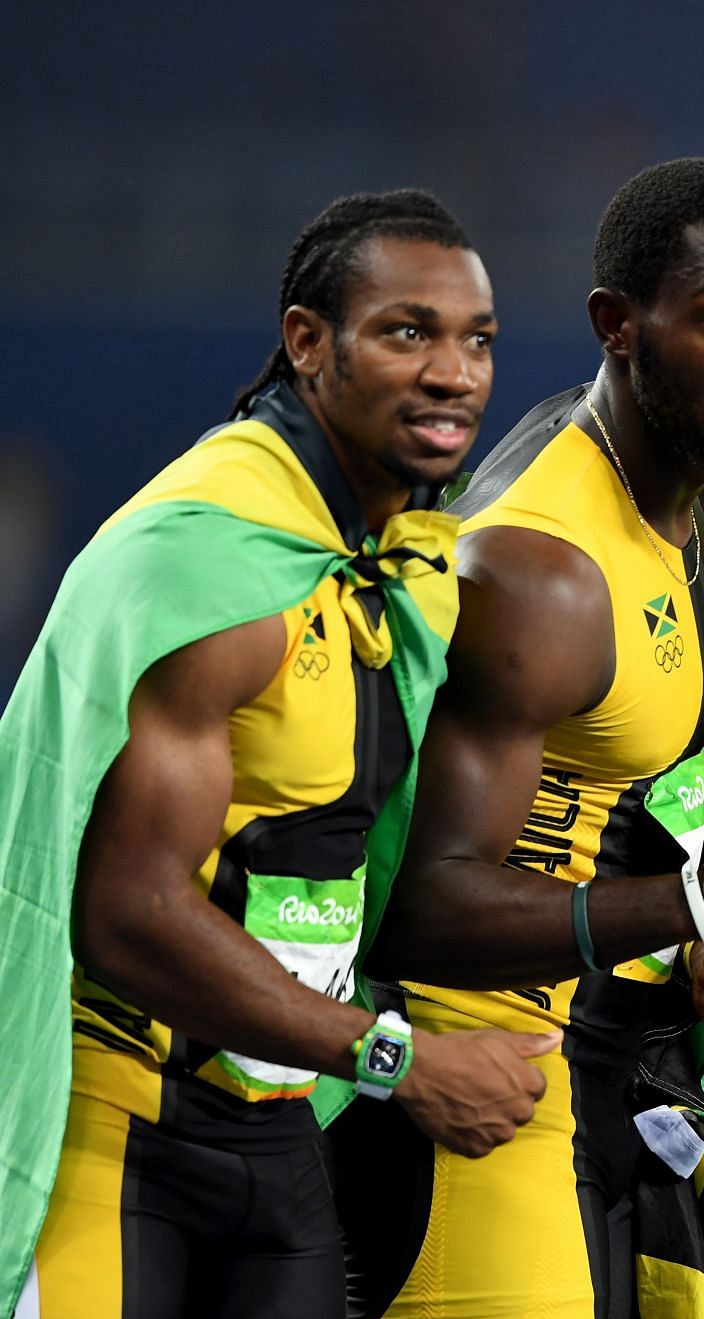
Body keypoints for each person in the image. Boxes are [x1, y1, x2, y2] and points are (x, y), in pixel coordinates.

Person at [331, 159, 704, 1319]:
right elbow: (418, 905)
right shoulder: (545, 572)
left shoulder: (666, 504)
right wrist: (703, 909)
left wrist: (694, 955)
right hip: (466, 1090)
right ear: (619, 326)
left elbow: (603, 810)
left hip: (589, 1062)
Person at [0, 191, 556, 1319]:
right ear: (308, 343)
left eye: (477, 339)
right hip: (121, 1124)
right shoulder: (214, 566)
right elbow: (131, 912)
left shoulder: (399, 561)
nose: (455, 372)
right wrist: (401, 1059)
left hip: (281, 1123)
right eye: (409, 332)